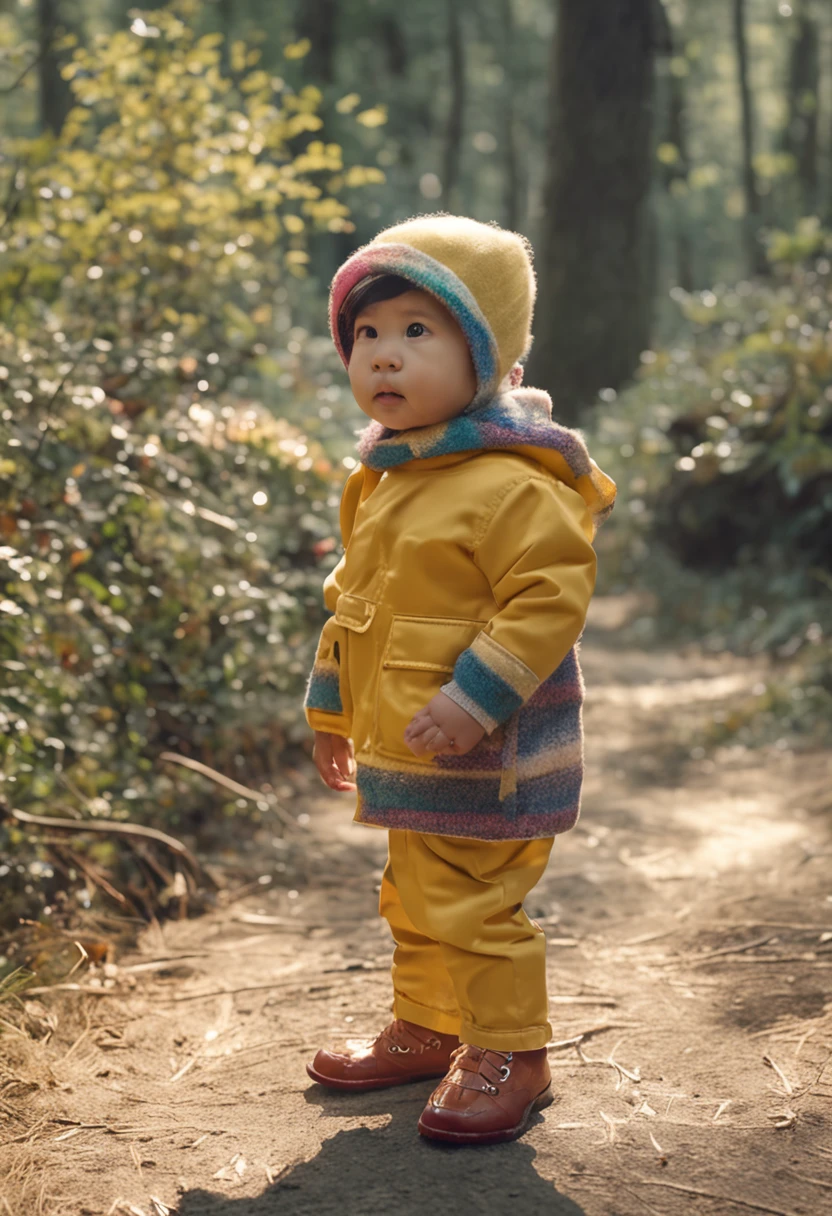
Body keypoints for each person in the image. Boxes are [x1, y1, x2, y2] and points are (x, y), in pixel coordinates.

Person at [301, 213, 616, 1145]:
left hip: (490, 748)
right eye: (367, 334)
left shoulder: (514, 483)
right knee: (413, 894)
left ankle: (513, 1051)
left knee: (477, 904)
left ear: (491, 363)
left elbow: (548, 601)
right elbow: (353, 603)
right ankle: (433, 1025)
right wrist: (333, 713)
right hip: (408, 745)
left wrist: (474, 699)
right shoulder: (389, 477)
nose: (384, 359)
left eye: (417, 332)